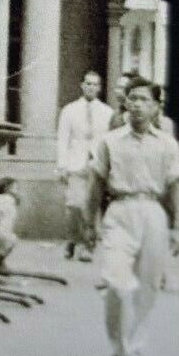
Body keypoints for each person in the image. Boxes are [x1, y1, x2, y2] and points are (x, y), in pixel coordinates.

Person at [86, 76, 179, 356]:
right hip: (119, 211)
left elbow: (176, 186)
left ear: (156, 107)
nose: (137, 105)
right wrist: (90, 224)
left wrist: (178, 229)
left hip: (153, 212)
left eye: (144, 100)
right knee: (116, 281)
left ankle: (135, 349)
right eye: (132, 99)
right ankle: (117, 350)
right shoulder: (109, 141)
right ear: (125, 104)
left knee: (147, 286)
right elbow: (96, 182)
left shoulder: (167, 145)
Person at [56, 71, 113, 260]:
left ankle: (88, 245)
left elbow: (109, 141)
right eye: (88, 84)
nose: (91, 88)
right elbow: (63, 140)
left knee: (91, 206)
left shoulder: (107, 112)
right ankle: (73, 239)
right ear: (82, 85)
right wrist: (62, 165)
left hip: (96, 164)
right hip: (75, 163)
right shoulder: (69, 110)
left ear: (100, 88)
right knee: (74, 205)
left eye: (95, 85)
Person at [0, 177, 20, 272]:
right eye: (16, 189)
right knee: (12, 239)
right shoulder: (9, 201)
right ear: (6, 189)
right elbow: (4, 230)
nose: (17, 192)